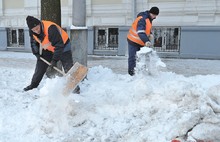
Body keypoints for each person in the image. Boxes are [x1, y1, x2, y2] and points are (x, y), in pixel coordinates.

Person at [24, 15, 80, 93]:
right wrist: (36, 53)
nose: (36, 31)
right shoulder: (32, 31)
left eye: (37, 28)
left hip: (63, 46)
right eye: (34, 30)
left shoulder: (51, 28)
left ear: (40, 24)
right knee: (40, 65)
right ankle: (33, 85)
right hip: (49, 48)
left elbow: (59, 45)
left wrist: (54, 60)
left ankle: (75, 88)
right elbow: (33, 43)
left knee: (68, 68)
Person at [127, 6, 159, 76]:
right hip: (133, 40)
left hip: (140, 41)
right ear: (151, 13)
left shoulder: (149, 19)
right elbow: (140, 32)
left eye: (155, 16)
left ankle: (139, 72)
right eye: (154, 15)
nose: (154, 17)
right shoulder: (143, 19)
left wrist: (150, 34)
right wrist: (146, 41)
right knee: (133, 57)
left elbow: (146, 29)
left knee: (140, 58)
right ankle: (131, 74)